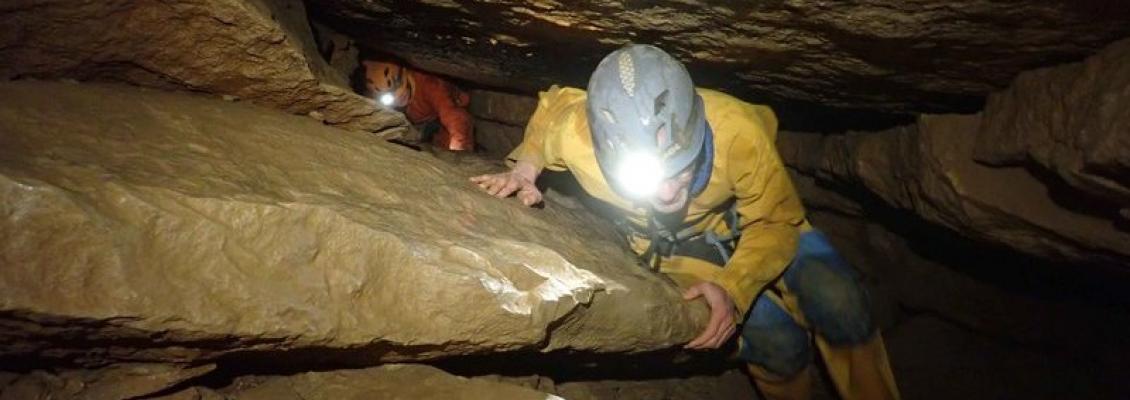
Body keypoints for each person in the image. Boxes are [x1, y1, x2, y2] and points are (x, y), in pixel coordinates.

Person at [470, 44, 900, 400]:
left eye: (678, 168)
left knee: (840, 301)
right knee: (776, 339)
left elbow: (774, 222)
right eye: (646, 177)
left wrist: (735, 288)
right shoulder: (581, 136)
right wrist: (524, 167)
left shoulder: (737, 131)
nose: (664, 193)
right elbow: (554, 106)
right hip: (671, 247)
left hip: (754, 222)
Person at [358, 60, 474, 151]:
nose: (400, 98)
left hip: (443, 111)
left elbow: (453, 117)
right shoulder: (375, 90)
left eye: (402, 91)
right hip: (419, 121)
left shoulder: (430, 85)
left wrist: (458, 145)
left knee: (449, 143)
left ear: (405, 74)